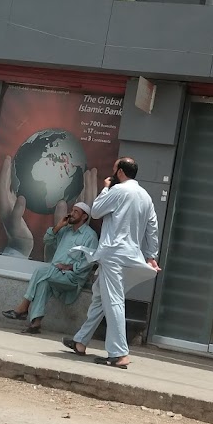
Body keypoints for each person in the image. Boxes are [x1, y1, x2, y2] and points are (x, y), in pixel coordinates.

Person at [63, 157, 159, 369]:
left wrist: (106, 188)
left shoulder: (117, 190)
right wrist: (151, 255)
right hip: (130, 255)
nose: (112, 173)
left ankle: (119, 354)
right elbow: (152, 226)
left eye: (114, 169)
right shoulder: (145, 196)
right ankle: (80, 341)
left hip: (113, 254)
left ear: (121, 172)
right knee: (100, 297)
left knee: (113, 301)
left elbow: (96, 211)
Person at [2, 202, 97, 334]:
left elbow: (90, 261)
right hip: (55, 273)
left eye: (76, 212)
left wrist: (69, 267)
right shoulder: (65, 231)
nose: (71, 213)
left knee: (40, 271)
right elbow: (47, 240)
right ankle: (35, 324)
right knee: (43, 283)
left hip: (72, 278)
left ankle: (23, 307)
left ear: (84, 216)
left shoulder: (90, 236)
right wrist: (58, 226)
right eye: (72, 210)